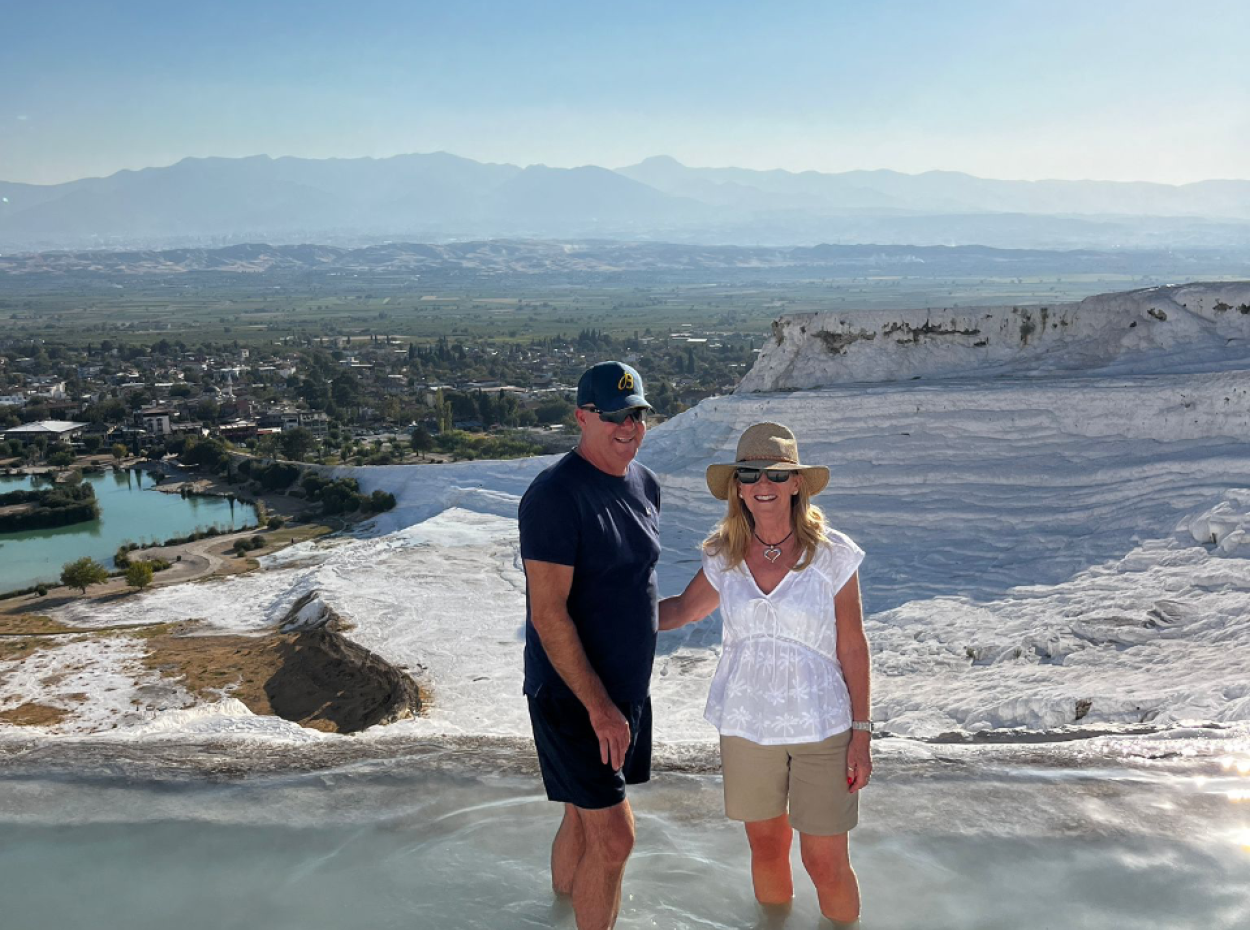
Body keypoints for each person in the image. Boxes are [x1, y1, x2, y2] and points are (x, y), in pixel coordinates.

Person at [659, 421, 872, 924]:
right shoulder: (723, 554)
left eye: (776, 476)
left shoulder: (832, 554)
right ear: (737, 487)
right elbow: (680, 612)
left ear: (797, 483)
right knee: (766, 848)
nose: (762, 485)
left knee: (825, 862)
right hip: (747, 725)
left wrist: (861, 733)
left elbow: (853, 646)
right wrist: (605, 610)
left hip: (823, 728)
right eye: (750, 474)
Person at [519, 360, 661, 930]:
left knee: (584, 816)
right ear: (582, 417)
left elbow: (634, 590)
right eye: (613, 417)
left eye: (637, 415)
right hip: (574, 696)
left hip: (625, 692)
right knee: (617, 837)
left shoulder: (644, 483)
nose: (628, 427)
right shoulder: (556, 496)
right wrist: (599, 708)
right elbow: (548, 612)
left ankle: (557, 913)